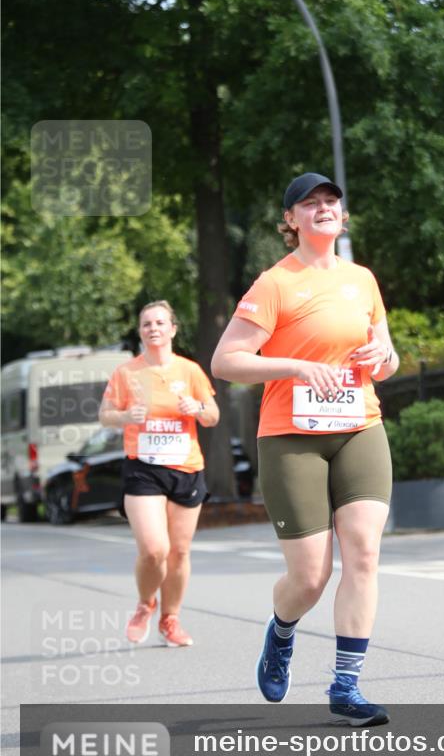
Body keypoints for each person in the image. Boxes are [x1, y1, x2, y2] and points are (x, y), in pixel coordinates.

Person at [211, 172, 399, 726]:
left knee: (363, 552)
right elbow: (226, 362)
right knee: (310, 577)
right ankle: (282, 631)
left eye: (331, 201)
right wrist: (295, 366)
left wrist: (382, 359)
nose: (323, 208)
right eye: (309, 203)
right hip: (291, 437)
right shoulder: (275, 283)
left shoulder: (363, 279)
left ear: (342, 217)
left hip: (358, 425)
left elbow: (386, 360)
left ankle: (346, 686)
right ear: (290, 221)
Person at [100, 300, 219, 647]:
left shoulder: (190, 370)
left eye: (159, 322)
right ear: (140, 332)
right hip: (144, 468)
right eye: (146, 324)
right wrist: (125, 417)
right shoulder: (127, 373)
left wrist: (196, 408)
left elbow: (213, 415)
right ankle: (145, 603)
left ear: (172, 329)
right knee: (154, 549)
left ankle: (171, 619)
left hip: (186, 467)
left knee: (179, 552)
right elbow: (105, 414)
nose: (153, 328)